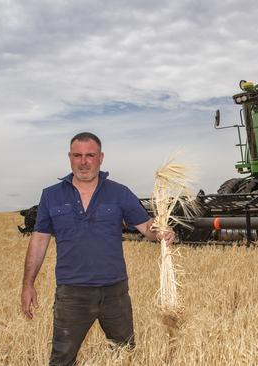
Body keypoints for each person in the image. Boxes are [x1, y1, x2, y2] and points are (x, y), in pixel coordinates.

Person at [20, 132, 173, 366]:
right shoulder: (51, 196)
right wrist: (28, 284)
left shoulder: (119, 192)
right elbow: (39, 240)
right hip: (72, 293)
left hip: (115, 292)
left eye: (90, 155)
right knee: (62, 358)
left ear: (100, 157)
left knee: (125, 354)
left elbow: (146, 227)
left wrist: (161, 231)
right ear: (69, 157)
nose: (84, 161)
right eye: (78, 155)